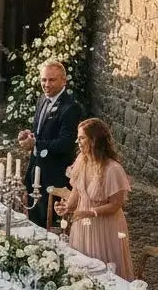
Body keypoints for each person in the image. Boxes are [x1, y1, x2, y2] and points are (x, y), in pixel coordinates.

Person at [56, 118, 133, 278]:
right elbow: (77, 190)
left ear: (94, 140)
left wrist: (90, 212)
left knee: (104, 272)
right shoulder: (81, 161)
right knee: (81, 269)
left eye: (82, 138)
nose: (77, 141)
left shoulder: (113, 169)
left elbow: (115, 205)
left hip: (105, 227)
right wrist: (68, 206)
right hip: (83, 224)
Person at [17, 59, 85, 226]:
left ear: (64, 81)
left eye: (52, 80)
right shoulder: (42, 99)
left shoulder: (70, 108)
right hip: (36, 167)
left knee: (47, 222)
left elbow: (65, 143)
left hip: (54, 173)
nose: (46, 84)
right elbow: (44, 133)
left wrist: (37, 145)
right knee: (33, 218)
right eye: (43, 79)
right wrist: (29, 135)